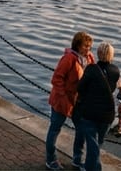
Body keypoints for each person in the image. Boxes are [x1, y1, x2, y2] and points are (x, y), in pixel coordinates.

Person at [45, 31, 94, 171]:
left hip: (79, 102)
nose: (88, 49)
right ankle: (51, 159)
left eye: (90, 46)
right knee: (54, 129)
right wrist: (64, 97)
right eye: (85, 46)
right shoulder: (68, 59)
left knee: (82, 130)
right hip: (62, 101)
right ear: (77, 45)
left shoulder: (90, 58)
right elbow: (56, 79)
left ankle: (77, 159)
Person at [73, 42, 121, 171]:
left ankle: (90, 168)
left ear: (98, 54)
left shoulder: (91, 69)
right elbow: (112, 88)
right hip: (107, 113)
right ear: (111, 55)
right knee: (97, 143)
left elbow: (80, 87)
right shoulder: (115, 70)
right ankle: (94, 167)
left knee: (92, 143)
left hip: (90, 112)